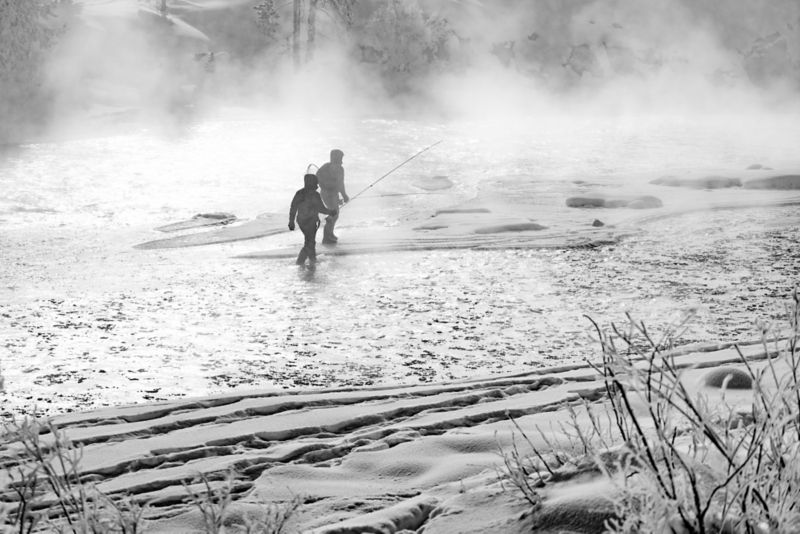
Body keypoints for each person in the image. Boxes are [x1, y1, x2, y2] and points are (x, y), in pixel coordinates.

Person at [289, 173, 338, 266]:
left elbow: (293, 208)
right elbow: (321, 209)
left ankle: (311, 259)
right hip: (310, 222)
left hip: (303, 221)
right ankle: (302, 261)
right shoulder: (314, 195)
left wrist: (291, 221)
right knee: (310, 241)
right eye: (315, 183)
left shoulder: (300, 193)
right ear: (310, 183)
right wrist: (331, 212)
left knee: (310, 241)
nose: (317, 185)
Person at [316, 149, 349, 244]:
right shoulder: (326, 167)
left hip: (333, 194)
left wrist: (343, 195)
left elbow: (340, 184)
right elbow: (317, 178)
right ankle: (326, 237)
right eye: (340, 158)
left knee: (335, 214)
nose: (341, 160)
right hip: (326, 194)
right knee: (333, 214)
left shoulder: (339, 169)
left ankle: (330, 233)